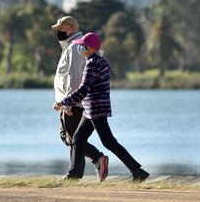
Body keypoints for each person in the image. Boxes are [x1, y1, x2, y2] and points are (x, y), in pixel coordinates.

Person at [53, 32, 149, 182]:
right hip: (92, 109)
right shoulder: (101, 62)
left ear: (90, 48)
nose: (80, 48)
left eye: (82, 46)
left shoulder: (91, 65)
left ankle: (138, 171)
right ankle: (74, 174)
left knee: (108, 142)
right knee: (78, 138)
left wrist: (64, 102)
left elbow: (84, 90)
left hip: (95, 109)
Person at [51, 16, 108, 182]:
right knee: (67, 137)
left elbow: (74, 76)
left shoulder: (75, 48)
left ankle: (81, 169)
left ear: (71, 28)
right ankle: (85, 166)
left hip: (73, 103)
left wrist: (69, 102)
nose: (58, 32)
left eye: (61, 28)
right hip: (68, 102)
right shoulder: (70, 47)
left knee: (75, 139)